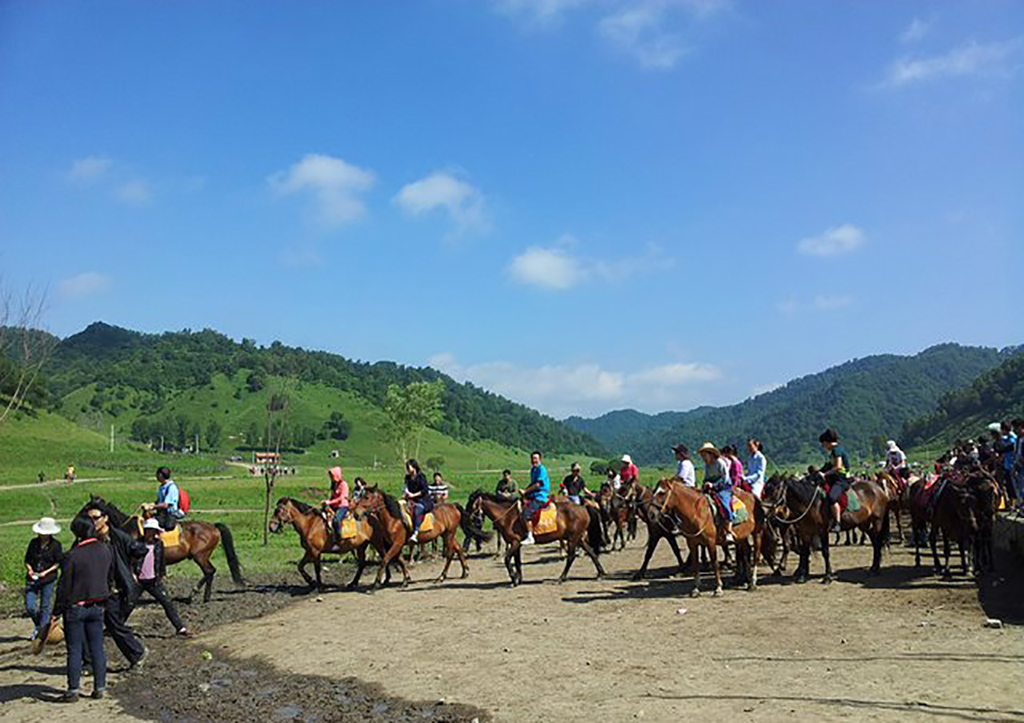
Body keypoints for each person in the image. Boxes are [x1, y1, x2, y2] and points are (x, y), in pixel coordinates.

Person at [54, 515, 113, 702]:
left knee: (75, 649)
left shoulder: (73, 555)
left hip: (75, 607)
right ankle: (100, 687)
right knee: (97, 647)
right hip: (98, 605)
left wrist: (56, 612)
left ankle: (73, 690)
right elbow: (108, 576)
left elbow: (63, 587)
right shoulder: (105, 549)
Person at [82, 501, 147, 668]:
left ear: (105, 518)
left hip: (113, 589)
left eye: (96, 518)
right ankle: (89, 661)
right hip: (93, 589)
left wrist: (130, 567)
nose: (93, 522)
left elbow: (140, 549)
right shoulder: (88, 537)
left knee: (113, 624)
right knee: (88, 624)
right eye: (90, 519)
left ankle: (137, 652)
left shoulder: (118, 537)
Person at [133, 519, 189, 636]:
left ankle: (180, 627)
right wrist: (133, 574)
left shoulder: (159, 544)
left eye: (154, 532)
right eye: (150, 531)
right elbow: (131, 560)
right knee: (128, 604)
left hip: (154, 580)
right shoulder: (137, 544)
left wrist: (162, 574)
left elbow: (161, 561)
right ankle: (116, 626)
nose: (152, 534)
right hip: (139, 581)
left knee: (167, 603)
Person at [24, 517, 63, 646]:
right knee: (30, 606)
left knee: (45, 606)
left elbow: (58, 563)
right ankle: (39, 624)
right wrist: (30, 570)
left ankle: (42, 632)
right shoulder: (33, 543)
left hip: (48, 578)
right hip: (32, 578)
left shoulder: (56, 545)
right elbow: (27, 560)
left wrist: (46, 572)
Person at [698, 442, 734, 541]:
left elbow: (725, 479)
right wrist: (704, 485)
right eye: (702, 456)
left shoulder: (720, 463)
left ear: (710, 454)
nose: (703, 458)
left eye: (704, 455)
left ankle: (729, 530)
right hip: (711, 488)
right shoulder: (707, 466)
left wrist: (713, 485)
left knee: (725, 504)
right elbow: (706, 478)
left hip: (723, 487)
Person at [819, 428, 851, 531]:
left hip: (841, 480)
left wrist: (825, 474)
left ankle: (837, 523)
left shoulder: (837, 450)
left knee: (832, 497)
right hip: (834, 478)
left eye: (823, 444)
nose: (823, 447)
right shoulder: (832, 452)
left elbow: (838, 466)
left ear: (827, 442)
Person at [521, 450, 550, 546]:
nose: (534, 461)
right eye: (532, 459)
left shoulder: (542, 469)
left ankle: (530, 536)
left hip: (540, 496)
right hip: (533, 494)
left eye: (536, 459)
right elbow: (532, 483)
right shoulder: (533, 470)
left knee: (526, 513)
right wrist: (525, 491)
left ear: (540, 459)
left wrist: (525, 491)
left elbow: (538, 484)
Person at [403, 459, 433, 543]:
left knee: (418, 509)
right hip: (411, 499)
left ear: (414, 467)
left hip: (423, 500)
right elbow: (405, 487)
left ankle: (415, 532)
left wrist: (413, 495)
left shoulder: (421, 477)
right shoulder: (407, 478)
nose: (408, 469)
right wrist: (405, 494)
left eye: (409, 467)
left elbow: (425, 490)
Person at [321, 466, 350, 542]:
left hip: (342, 506)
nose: (331, 478)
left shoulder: (344, 484)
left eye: (332, 476)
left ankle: (339, 538)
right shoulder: (335, 485)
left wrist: (329, 502)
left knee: (336, 520)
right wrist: (327, 502)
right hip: (334, 506)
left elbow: (342, 498)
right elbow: (333, 497)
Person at [154, 466, 184, 531]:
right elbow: (159, 501)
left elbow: (166, 505)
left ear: (161, 475)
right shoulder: (161, 487)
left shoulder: (171, 487)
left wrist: (153, 507)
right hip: (161, 514)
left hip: (169, 515)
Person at [996, 421, 1018, 506]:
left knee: (1015, 486)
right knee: (1009, 486)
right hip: (1007, 465)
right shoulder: (1006, 438)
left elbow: (1006, 448)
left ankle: (1017, 504)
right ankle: (1013, 504)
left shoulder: (1013, 438)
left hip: (1013, 464)